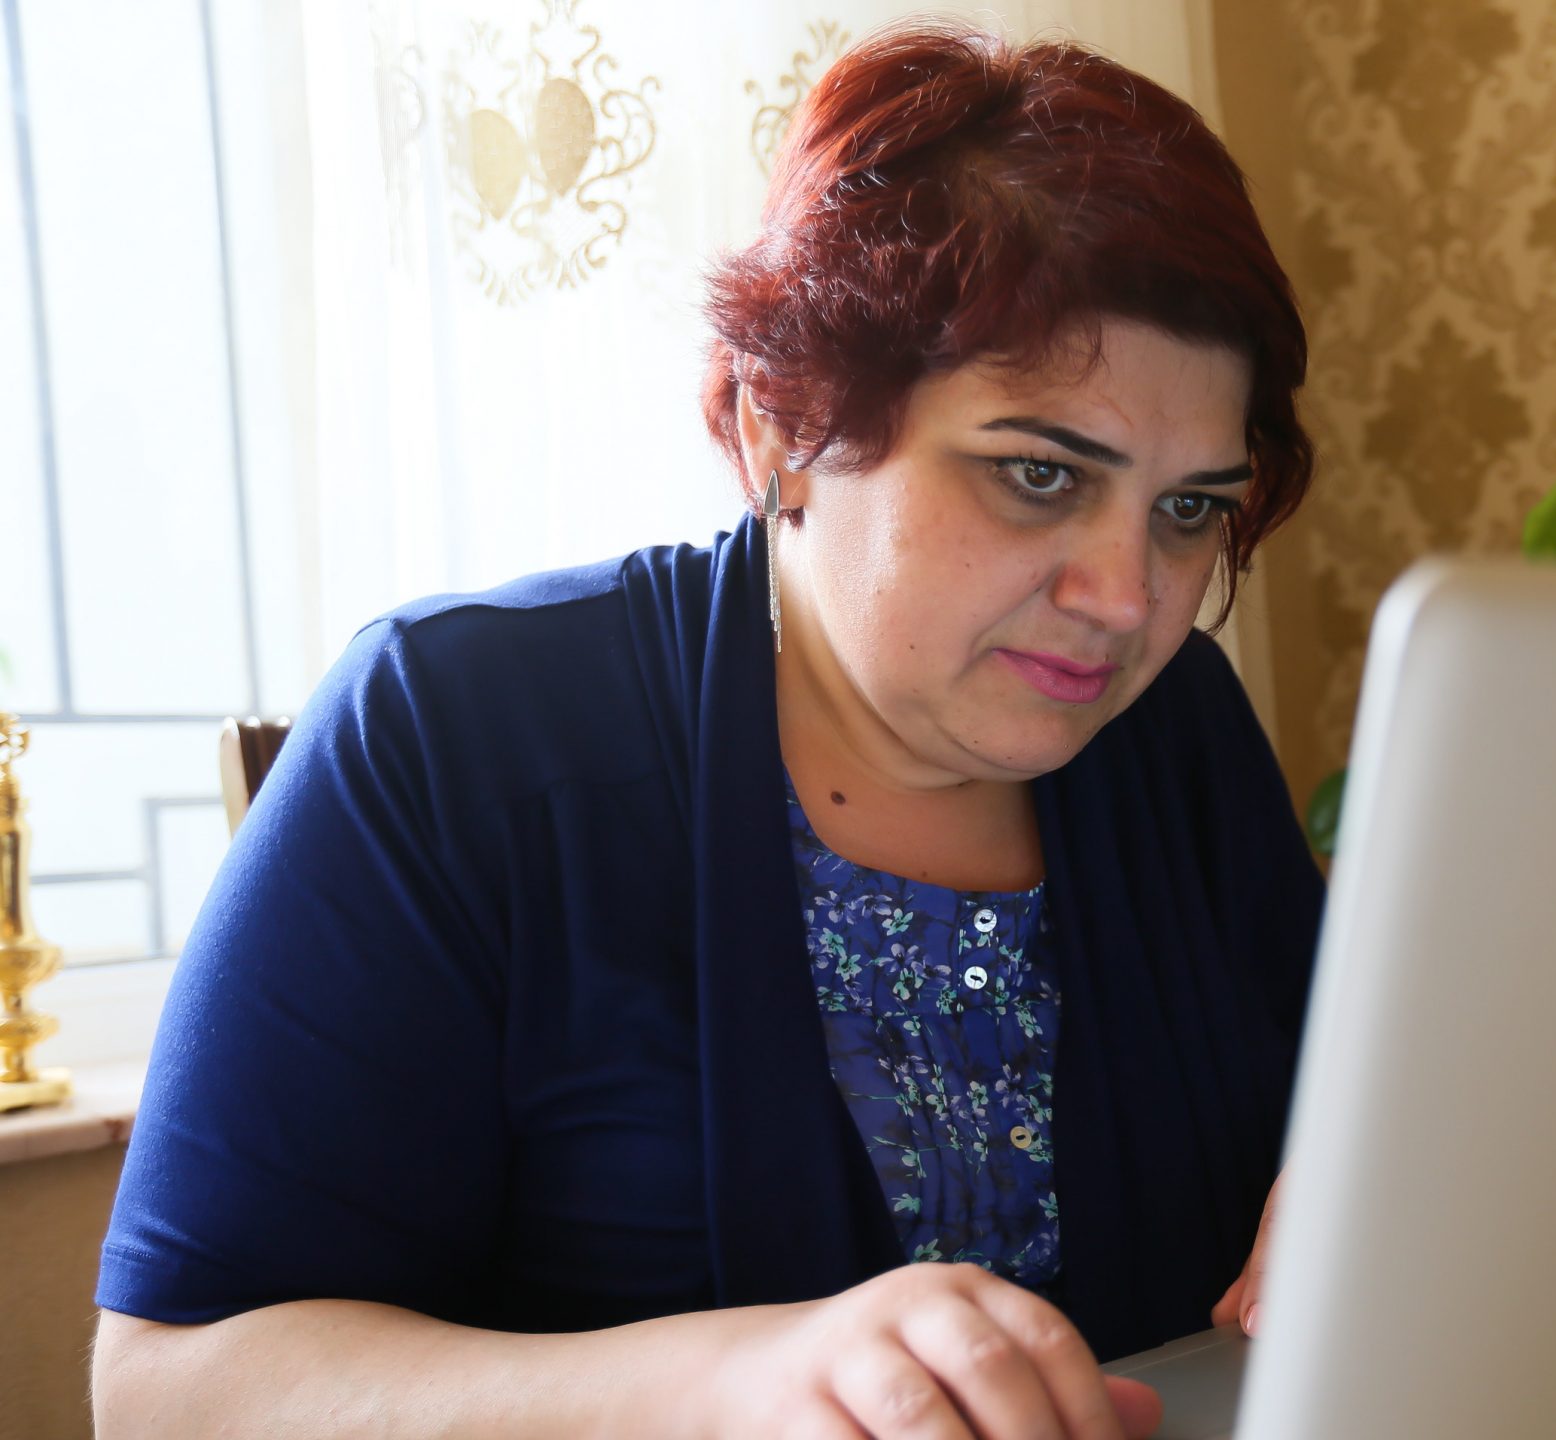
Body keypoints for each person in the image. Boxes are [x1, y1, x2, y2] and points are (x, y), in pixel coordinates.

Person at [91, 23, 1320, 1439]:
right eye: (1039, 474)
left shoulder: (1178, 742)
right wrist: (729, 1383)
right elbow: (167, 1392)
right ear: (777, 423)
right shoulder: (452, 735)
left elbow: (1344, 1126)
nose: (1127, 602)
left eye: (1187, 510)